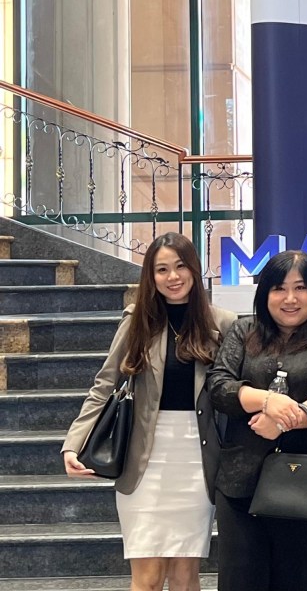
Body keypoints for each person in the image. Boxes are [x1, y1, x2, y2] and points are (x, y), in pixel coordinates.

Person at [62, 232, 236, 591]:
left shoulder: (223, 323)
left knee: (185, 575)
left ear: (194, 268)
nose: (173, 277)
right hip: (143, 458)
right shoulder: (137, 321)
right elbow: (104, 385)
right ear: (151, 276)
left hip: (197, 459)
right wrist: (73, 443)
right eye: (162, 269)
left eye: (180, 266)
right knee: (148, 578)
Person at [208, 250, 307, 591]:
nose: (290, 298)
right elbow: (218, 386)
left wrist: (285, 421)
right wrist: (268, 401)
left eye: (300, 288)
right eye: (279, 288)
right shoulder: (243, 330)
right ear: (265, 293)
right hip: (241, 485)